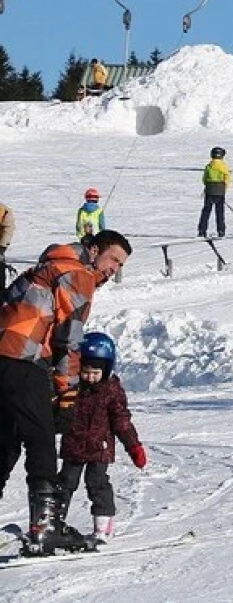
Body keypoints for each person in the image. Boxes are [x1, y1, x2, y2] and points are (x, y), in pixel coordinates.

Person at [0, 229, 131, 554]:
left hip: (6, 352)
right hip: (21, 354)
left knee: (6, 436)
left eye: (120, 265)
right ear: (94, 249)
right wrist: (68, 396)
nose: (114, 269)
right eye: (113, 259)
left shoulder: (49, 265)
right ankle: (46, 527)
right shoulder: (78, 273)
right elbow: (68, 341)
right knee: (41, 438)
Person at [57, 331, 145, 549]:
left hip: (99, 448)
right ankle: (54, 524)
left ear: (106, 370)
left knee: (97, 484)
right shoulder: (72, 388)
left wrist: (133, 446)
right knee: (65, 484)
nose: (90, 377)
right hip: (73, 446)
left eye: (96, 372)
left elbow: (121, 421)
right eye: (86, 371)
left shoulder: (112, 391)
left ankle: (102, 527)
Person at [197, 147, 229, 239]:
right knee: (219, 212)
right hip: (220, 191)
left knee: (206, 211)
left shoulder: (208, 166)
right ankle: (221, 230)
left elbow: (204, 179)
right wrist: (224, 187)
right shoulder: (224, 166)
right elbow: (227, 178)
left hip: (209, 190)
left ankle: (202, 231)